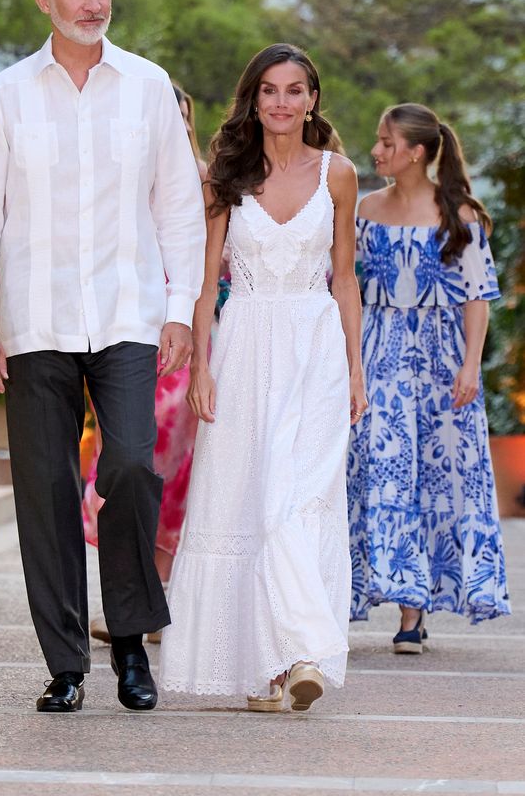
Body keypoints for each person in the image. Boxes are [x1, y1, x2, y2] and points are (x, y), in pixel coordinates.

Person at [0, 0, 205, 713]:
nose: (94, 5)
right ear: (46, 0)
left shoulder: (148, 86)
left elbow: (177, 207)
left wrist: (179, 309)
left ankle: (130, 641)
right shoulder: (7, 95)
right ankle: (66, 662)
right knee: (45, 491)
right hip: (35, 323)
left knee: (132, 466)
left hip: (130, 315)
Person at [159, 43, 366, 712]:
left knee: (297, 495)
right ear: (254, 100)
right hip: (244, 348)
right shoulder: (225, 176)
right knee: (251, 500)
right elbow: (204, 278)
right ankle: (273, 669)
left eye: (295, 90)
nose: (282, 101)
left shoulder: (339, 174)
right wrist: (198, 366)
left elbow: (344, 277)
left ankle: (301, 651)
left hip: (315, 350)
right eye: (270, 90)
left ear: (312, 99)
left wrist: (357, 367)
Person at [348, 103, 510, 651]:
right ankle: (382, 595)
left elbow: (478, 298)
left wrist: (469, 365)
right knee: (382, 472)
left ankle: (413, 616)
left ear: (416, 153)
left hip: (441, 365)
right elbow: (345, 285)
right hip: (378, 355)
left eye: (386, 143)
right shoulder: (366, 208)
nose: (376, 151)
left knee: (432, 480)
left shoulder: (458, 215)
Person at [84, 81, 207, 644]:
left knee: (177, 465)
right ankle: (134, 591)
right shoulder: (125, 173)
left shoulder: (209, 179)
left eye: (182, 117)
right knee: (131, 455)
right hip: (127, 327)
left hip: (187, 331)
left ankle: (150, 596)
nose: (175, 126)